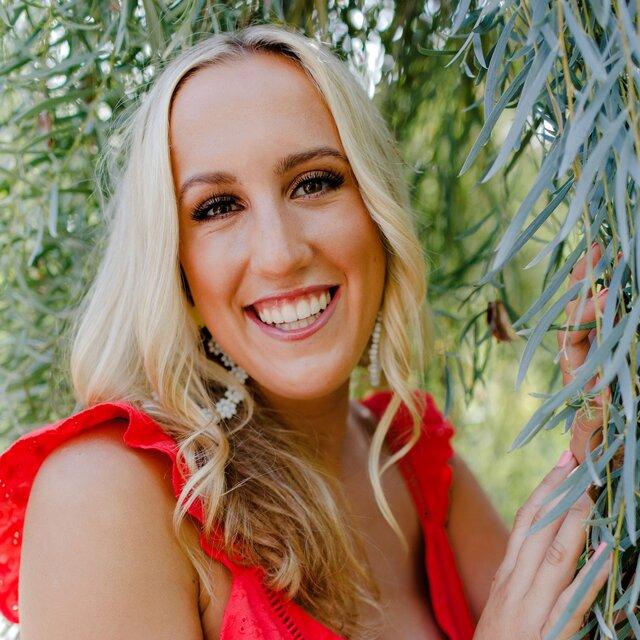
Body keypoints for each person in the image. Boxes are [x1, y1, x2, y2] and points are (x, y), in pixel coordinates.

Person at [0, 23, 612, 640]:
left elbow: (589, 610)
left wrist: (605, 424)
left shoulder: (412, 459)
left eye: (314, 182)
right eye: (217, 207)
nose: (280, 253)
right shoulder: (108, 496)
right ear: (176, 272)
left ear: (378, 212)